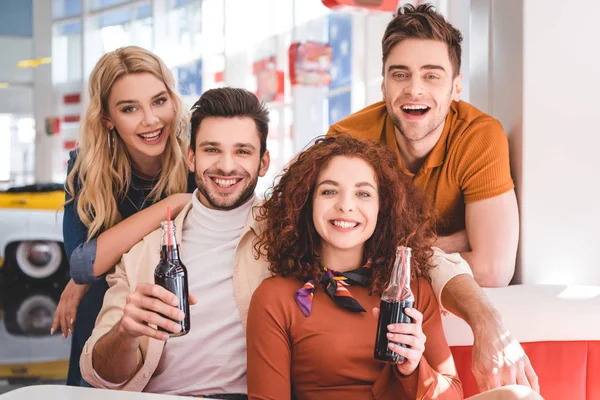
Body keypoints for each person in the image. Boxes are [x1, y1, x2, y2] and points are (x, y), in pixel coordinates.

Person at [327, 4, 537, 392]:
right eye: (400, 74)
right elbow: (342, 253)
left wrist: (393, 247)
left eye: (432, 75)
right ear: (384, 84)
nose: (414, 89)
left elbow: (492, 268)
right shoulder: (347, 140)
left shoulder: (479, 136)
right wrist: (463, 240)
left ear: (456, 86)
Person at [246, 135, 542, 400]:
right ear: (305, 203)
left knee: (519, 397)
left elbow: (451, 395)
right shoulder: (276, 297)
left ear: (382, 208)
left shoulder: (410, 289)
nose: (346, 206)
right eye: (328, 191)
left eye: (363, 194)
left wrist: (413, 366)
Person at [79, 87, 271, 398]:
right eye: (212, 149)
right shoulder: (142, 252)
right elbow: (101, 375)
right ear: (191, 158)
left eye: (242, 151)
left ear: (263, 163)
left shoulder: (290, 235)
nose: (225, 165)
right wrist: (126, 333)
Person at [52, 46, 195, 386]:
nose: (151, 120)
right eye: (130, 108)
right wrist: (172, 204)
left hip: (181, 305)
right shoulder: (86, 166)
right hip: (107, 309)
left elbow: (91, 265)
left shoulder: (195, 155)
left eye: (159, 101)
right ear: (107, 119)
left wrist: (97, 261)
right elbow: (82, 264)